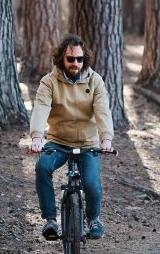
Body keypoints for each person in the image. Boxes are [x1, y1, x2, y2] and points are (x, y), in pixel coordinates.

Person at [29, 35, 114, 240]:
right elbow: (41, 108)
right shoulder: (49, 82)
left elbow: (103, 111)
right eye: (70, 59)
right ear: (61, 59)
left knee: (92, 183)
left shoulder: (95, 81)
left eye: (79, 59)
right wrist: (37, 137)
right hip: (58, 140)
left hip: (88, 142)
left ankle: (93, 219)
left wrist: (106, 139)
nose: (75, 63)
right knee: (42, 167)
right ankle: (50, 219)